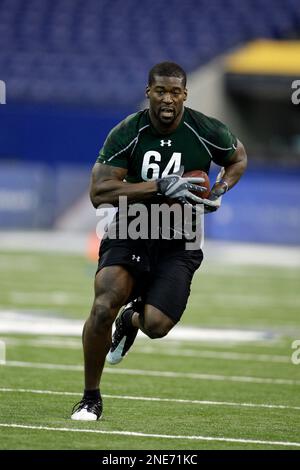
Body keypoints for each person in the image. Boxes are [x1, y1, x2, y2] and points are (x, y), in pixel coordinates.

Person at [71, 61, 247, 421]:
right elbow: (99, 192)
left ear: (185, 94)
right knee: (104, 305)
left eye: (175, 91)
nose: (168, 99)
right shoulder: (128, 131)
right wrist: (158, 186)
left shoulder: (205, 129)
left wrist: (219, 189)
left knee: (156, 325)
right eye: (161, 91)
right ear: (148, 92)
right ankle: (90, 397)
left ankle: (131, 321)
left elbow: (238, 158)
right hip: (133, 227)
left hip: (179, 236)